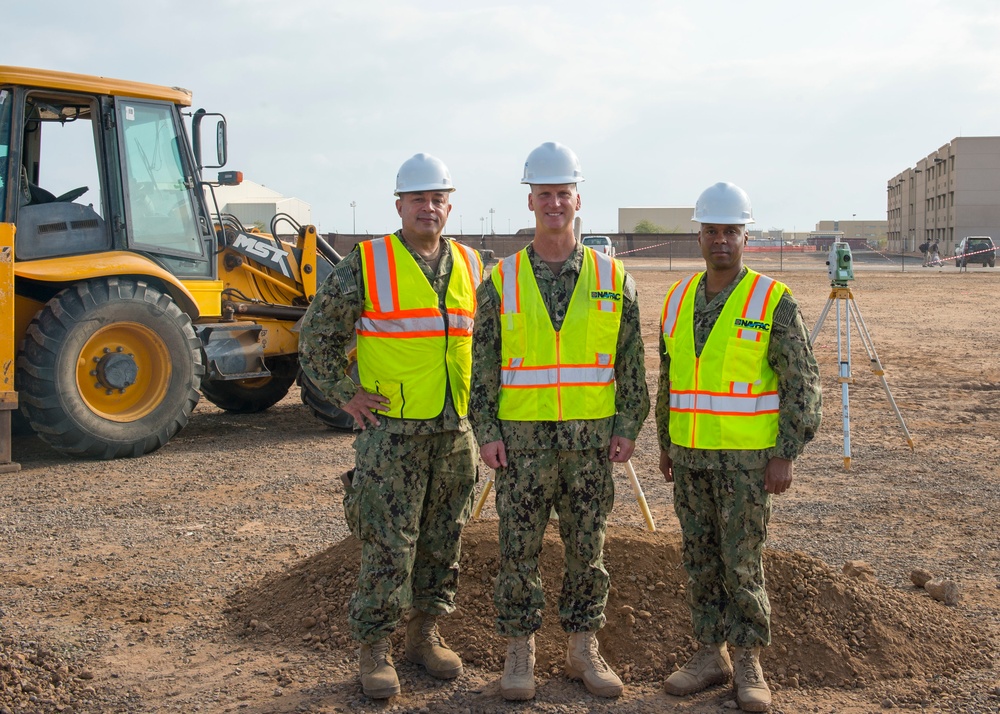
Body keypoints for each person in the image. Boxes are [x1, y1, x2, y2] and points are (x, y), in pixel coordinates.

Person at [469, 142, 650, 701]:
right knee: (517, 549)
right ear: (531, 201)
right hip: (521, 448)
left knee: (586, 549)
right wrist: (488, 433)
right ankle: (518, 653)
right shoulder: (501, 280)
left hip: (590, 445)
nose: (554, 203)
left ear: (577, 199)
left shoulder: (611, 277)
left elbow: (631, 363)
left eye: (562, 193)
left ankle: (581, 649)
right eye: (544, 194)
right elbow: (483, 367)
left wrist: (627, 426)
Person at [299, 153, 483, 700]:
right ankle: (374, 649)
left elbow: (490, 346)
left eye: (438, 198)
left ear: (449, 204)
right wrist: (344, 394)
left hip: (455, 431)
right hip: (393, 432)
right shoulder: (369, 262)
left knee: (442, 539)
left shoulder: (472, 264)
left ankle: (424, 636)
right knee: (388, 544)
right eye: (419, 199)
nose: (429, 208)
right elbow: (316, 337)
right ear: (399, 204)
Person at [656, 182, 822, 712]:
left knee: (742, 560)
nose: (721, 240)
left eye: (731, 231)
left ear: (745, 235)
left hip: (748, 465)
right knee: (700, 559)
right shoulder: (679, 298)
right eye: (712, 231)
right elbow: (671, 380)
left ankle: (748, 659)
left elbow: (802, 382)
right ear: (699, 236)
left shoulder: (771, 301)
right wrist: (665, 443)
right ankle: (710, 653)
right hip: (690, 458)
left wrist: (785, 453)